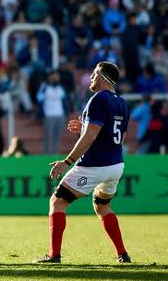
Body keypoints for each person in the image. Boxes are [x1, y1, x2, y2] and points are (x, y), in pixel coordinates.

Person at [36, 62, 131, 264]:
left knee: (57, 202)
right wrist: (84, 127)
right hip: (116, 166)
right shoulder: (121, 102)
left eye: (94, 74)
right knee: (102, 206)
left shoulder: (98, 99)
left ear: (103, 77)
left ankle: (54, 255)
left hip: (94, 166)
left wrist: (67, 162)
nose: (90, 78)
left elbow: (90, 136)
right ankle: (122, 254)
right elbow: (117, 137)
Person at [38, 71, 68, 154]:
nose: (56, 78)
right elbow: (39, 98)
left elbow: (65, 100)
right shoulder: (45, 87)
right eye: (54, 76)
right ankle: (46, 154)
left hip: (60, 115)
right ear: (50, 77)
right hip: (49, 115)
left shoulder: (61, 88)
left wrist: (66, 114)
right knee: (48, 136)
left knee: (57, 137)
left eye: (57, 77)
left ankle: (55, 154)